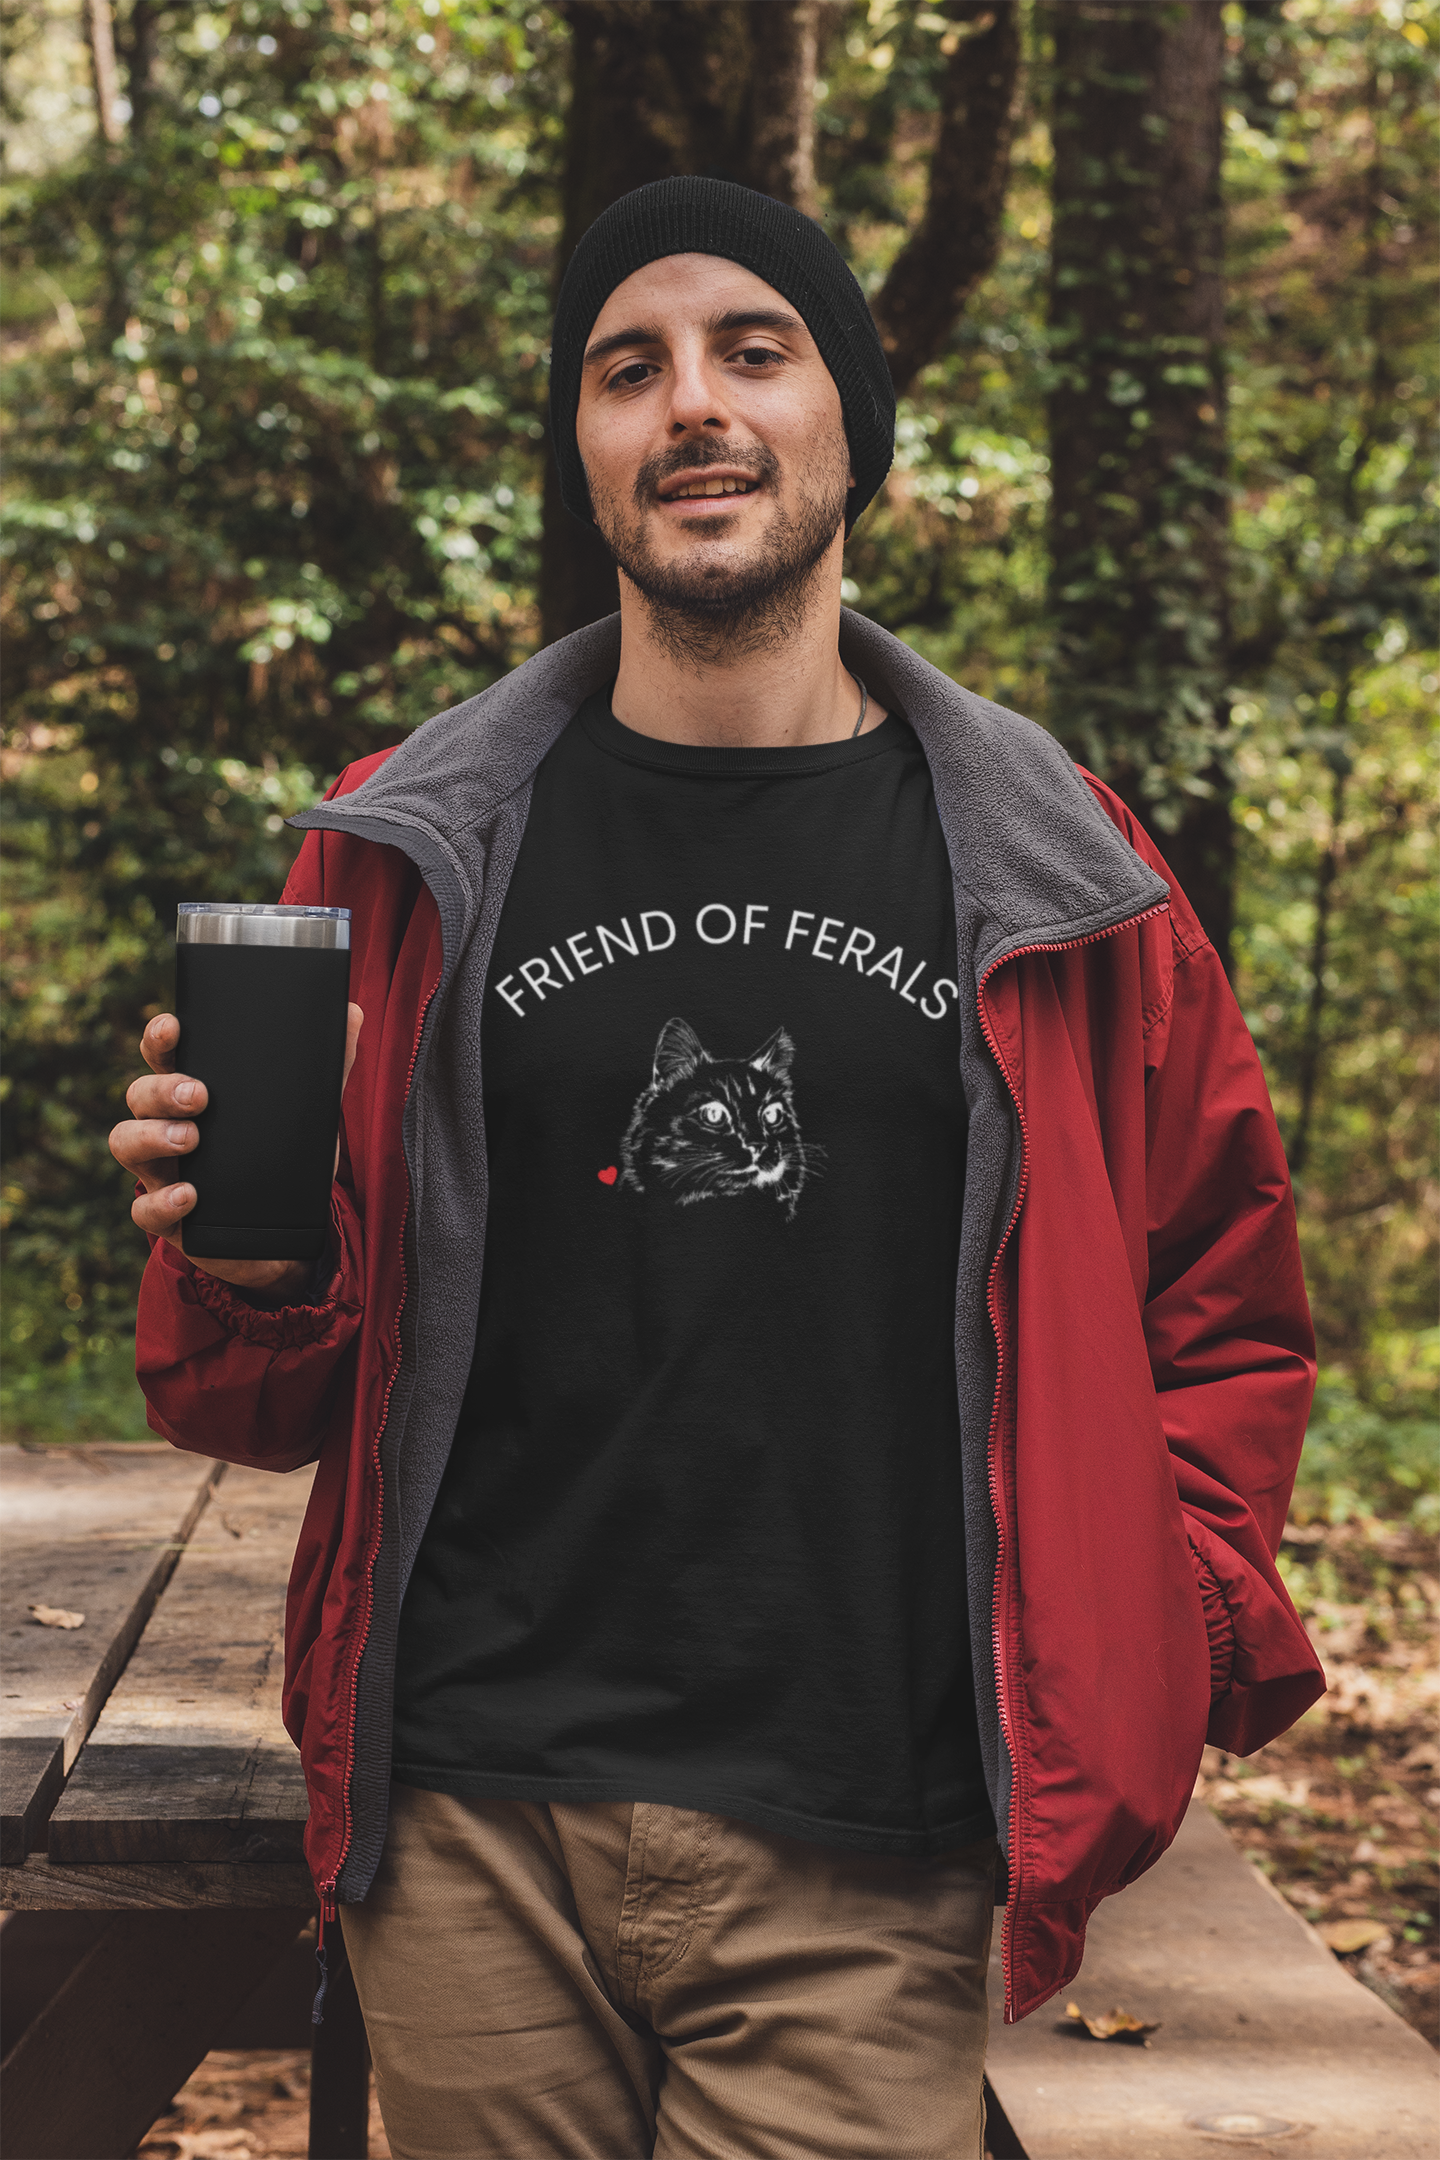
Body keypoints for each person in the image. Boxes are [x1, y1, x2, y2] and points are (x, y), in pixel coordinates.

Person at [110, 178, 1324, 2160]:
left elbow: (1222, 1310)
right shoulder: (412, 847)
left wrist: (1148, 1638)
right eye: (628, 365)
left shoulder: (1058, 875)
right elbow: (265, 1398)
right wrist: (245, 1265)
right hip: (473, 1822)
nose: (692, 403)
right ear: (584, 443)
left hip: (876, 1831)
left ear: (850, 419)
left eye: (754, 351)